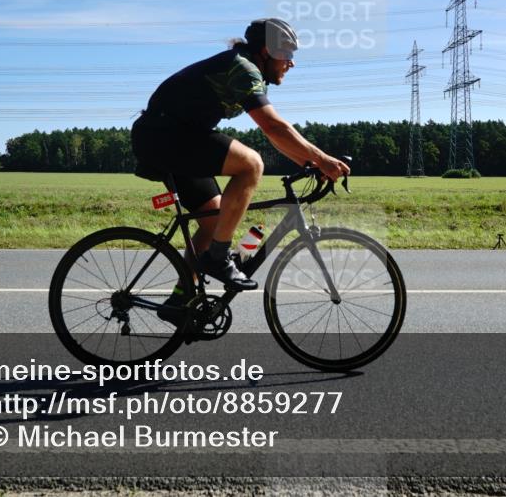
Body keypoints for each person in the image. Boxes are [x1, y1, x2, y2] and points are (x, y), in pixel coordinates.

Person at [131, 18, 351, 306]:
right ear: (266, 51)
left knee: (214, 222)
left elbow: (276, 135)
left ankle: (180, 301)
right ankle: (219, 259)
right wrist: (321, 159)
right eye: (287, 54)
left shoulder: (249, 69)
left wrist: (309, 163)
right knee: (251, 164)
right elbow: (273, 127)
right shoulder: (243, 68)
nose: (291, 63)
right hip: (164, 136)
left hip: (176, 138)